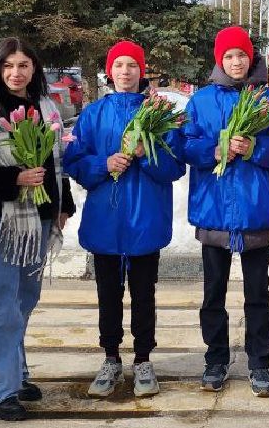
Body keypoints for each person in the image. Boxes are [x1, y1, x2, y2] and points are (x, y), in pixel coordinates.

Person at [62, 40, 185, 399]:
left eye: (133, 65)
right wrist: (104, 164)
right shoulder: (94, 114)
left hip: (145, 218)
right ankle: (111, 356)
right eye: (119, 66)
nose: (126, 72)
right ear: (109, 71)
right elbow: (75, 161)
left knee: (144, 293)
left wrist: (148, 155)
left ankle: (144, 358)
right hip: (106, 220)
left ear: (141, 71)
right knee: (108, 294)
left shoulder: (158, 114)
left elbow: (175, 166)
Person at [0, 37, 74, 420]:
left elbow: (57, 161)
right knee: (3, 305)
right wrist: (14, 179)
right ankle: (3, 391)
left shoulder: (46, 108)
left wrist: (63, 205)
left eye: (23, 65)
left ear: (34, 70)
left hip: (40, 219)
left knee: (25, 300)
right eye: (8, 66)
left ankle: (17, 372)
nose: (16, 73)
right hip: (3, 220)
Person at [182, 26, 269, 396]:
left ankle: (259, 363)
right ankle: (215, 359)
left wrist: (254, 148)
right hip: (214, 209)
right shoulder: (200, 101)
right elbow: (185, 145)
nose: (236, 62)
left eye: (242, 55)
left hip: (254, 209)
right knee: (213, 292)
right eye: (229, 56)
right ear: (219, 59)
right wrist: (213, 151)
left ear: (252, 58)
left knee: (257, 293)